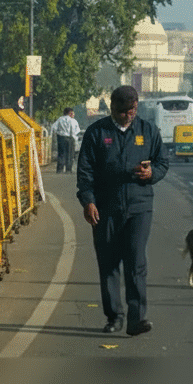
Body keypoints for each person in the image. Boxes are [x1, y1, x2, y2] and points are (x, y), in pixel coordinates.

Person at [76, 85, 167, 337]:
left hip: (139, 207)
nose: (128, 115)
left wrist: (152, 174)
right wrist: (88, 201)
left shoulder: (148, 131)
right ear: (112, 108)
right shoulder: (97, 132)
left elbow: (162, 162)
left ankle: (137, 318)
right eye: (123, 111)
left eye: (132, 110)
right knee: (109, 264)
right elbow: (85, 172)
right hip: (105, 208)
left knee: (136, 262)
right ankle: (114, 316)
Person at [51, 107, 81, 173]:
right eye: (73, 113)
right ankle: (68, 169)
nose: (74, 114)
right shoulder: (73, 120)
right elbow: (75, 130)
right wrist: (74, 136)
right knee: (70, 154)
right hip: (70, 138)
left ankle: (60, 169)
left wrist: (58, 133)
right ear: (70, 113)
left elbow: (54, 127)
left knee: (61, 153)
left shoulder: (60, 119)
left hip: (61, 138)